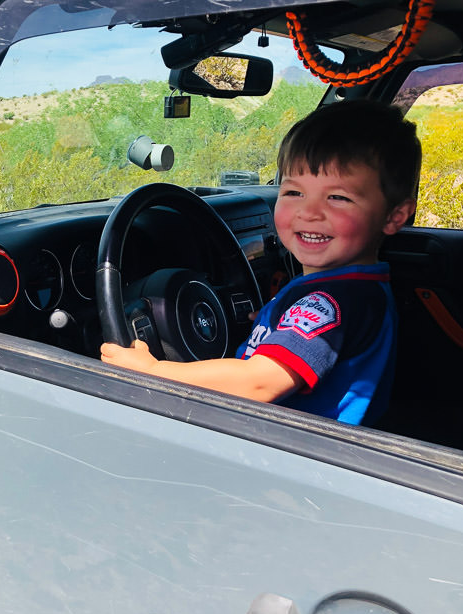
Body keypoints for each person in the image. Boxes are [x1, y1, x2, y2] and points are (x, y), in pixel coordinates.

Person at [100, 100, 421, 425]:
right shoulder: (354, 290)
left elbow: (259, 382)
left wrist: (155, 371)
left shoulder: (329, 303)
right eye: (294, 192)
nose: (308, 212)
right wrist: (271, 318)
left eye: (337, 197)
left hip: (289, 453)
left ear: (394, 216)